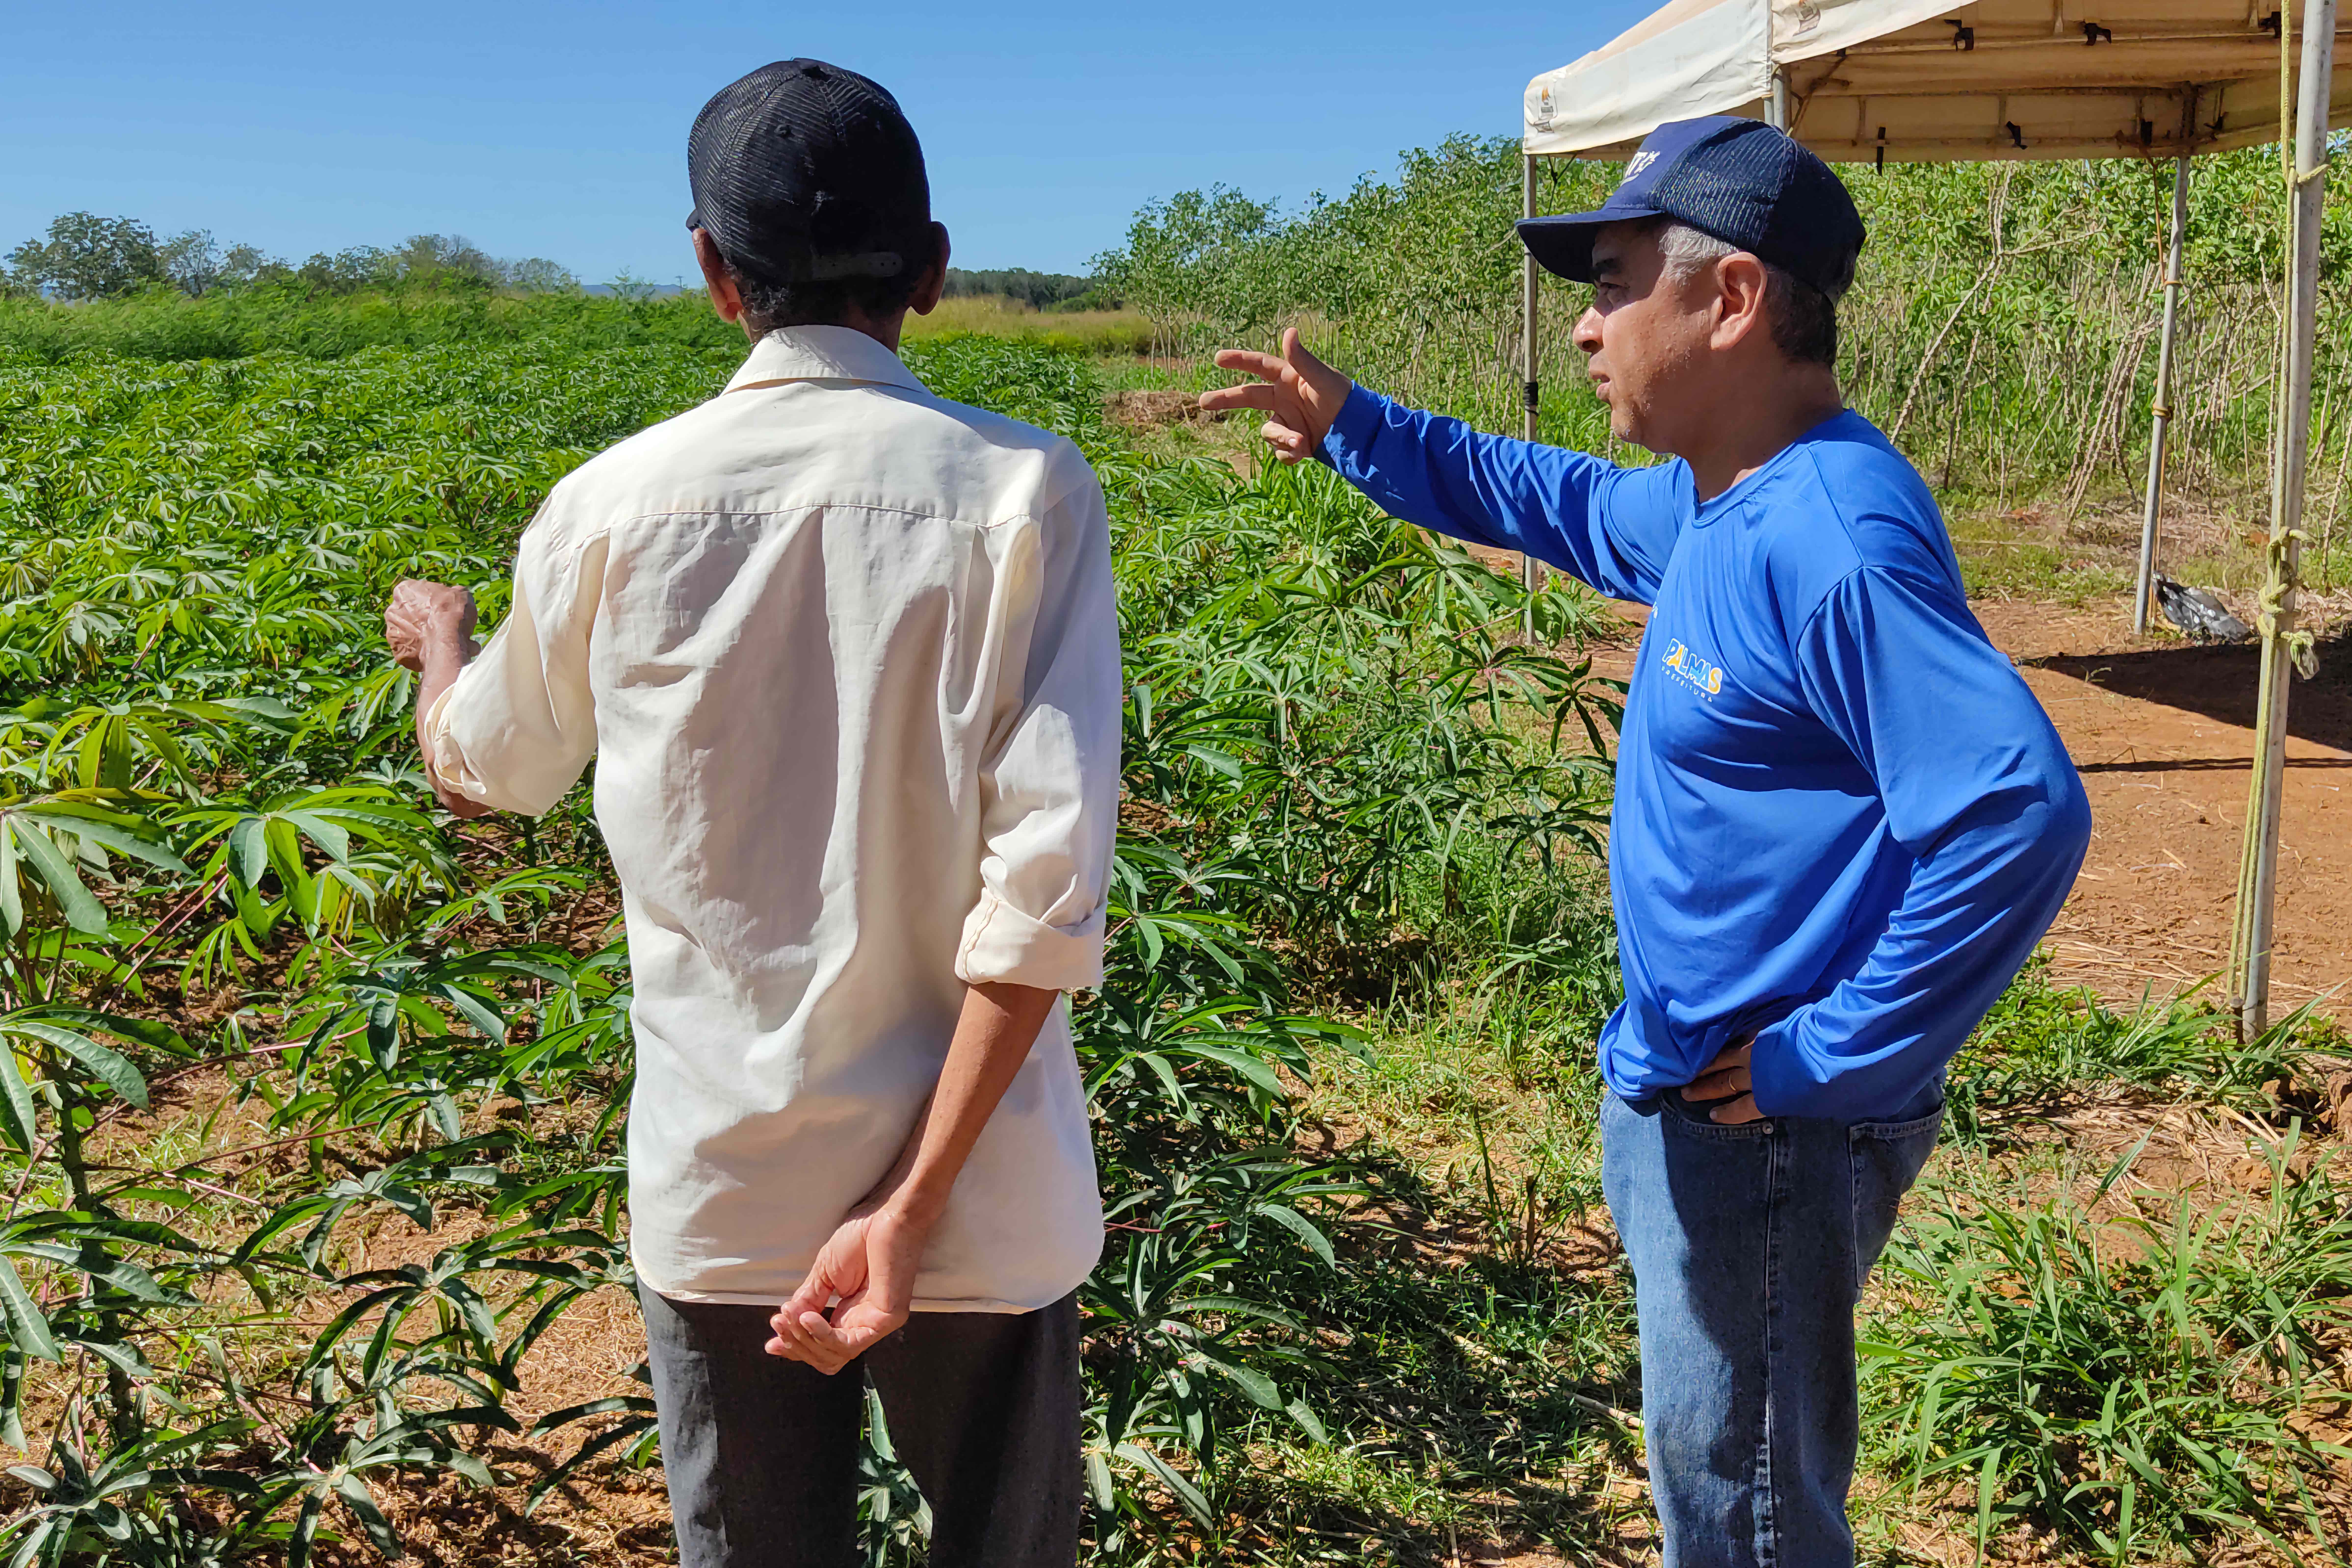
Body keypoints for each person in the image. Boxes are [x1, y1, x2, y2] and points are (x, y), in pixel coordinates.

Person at [1203, 116, 2091, 1567]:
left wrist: (1828, 1059)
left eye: (1615, 285)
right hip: (1702, 1093)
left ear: (1730, 299)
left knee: (1745, 1504)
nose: (1587, 322)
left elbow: (2015, 812)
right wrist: (1359, 424)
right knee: (1718, 1470)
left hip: (1769, 1125)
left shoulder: (1827, 541)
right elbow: (1547, 498)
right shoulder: (1720, 497)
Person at [381, 59, 1119, 1568]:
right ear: (932, 267)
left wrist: (442, 648)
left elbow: (485, 774)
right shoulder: (1025, 493)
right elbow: (1042, 899)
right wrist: (910, 1210)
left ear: (714, 274)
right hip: (979, 1197)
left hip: (729, 1192)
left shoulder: (608, 504)